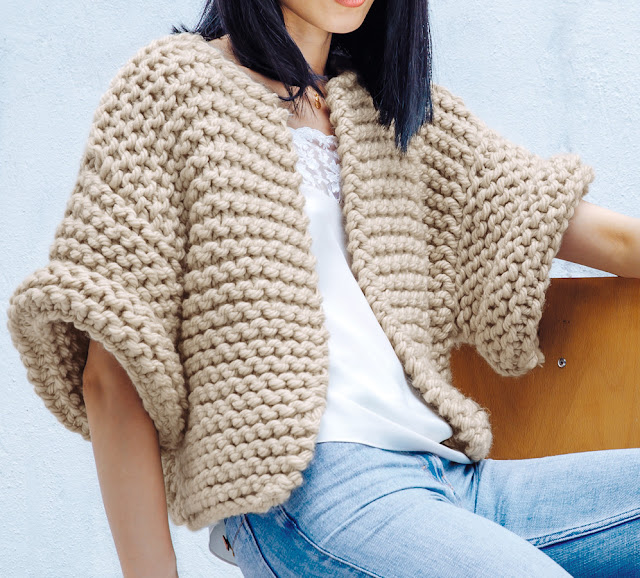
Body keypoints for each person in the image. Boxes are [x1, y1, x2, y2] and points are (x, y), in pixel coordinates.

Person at [6, 0, 640, 576]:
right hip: (311, 491)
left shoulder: (396, 114)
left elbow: (606, 239)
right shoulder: (173, 88)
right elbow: (111, 372)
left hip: (450, 479)